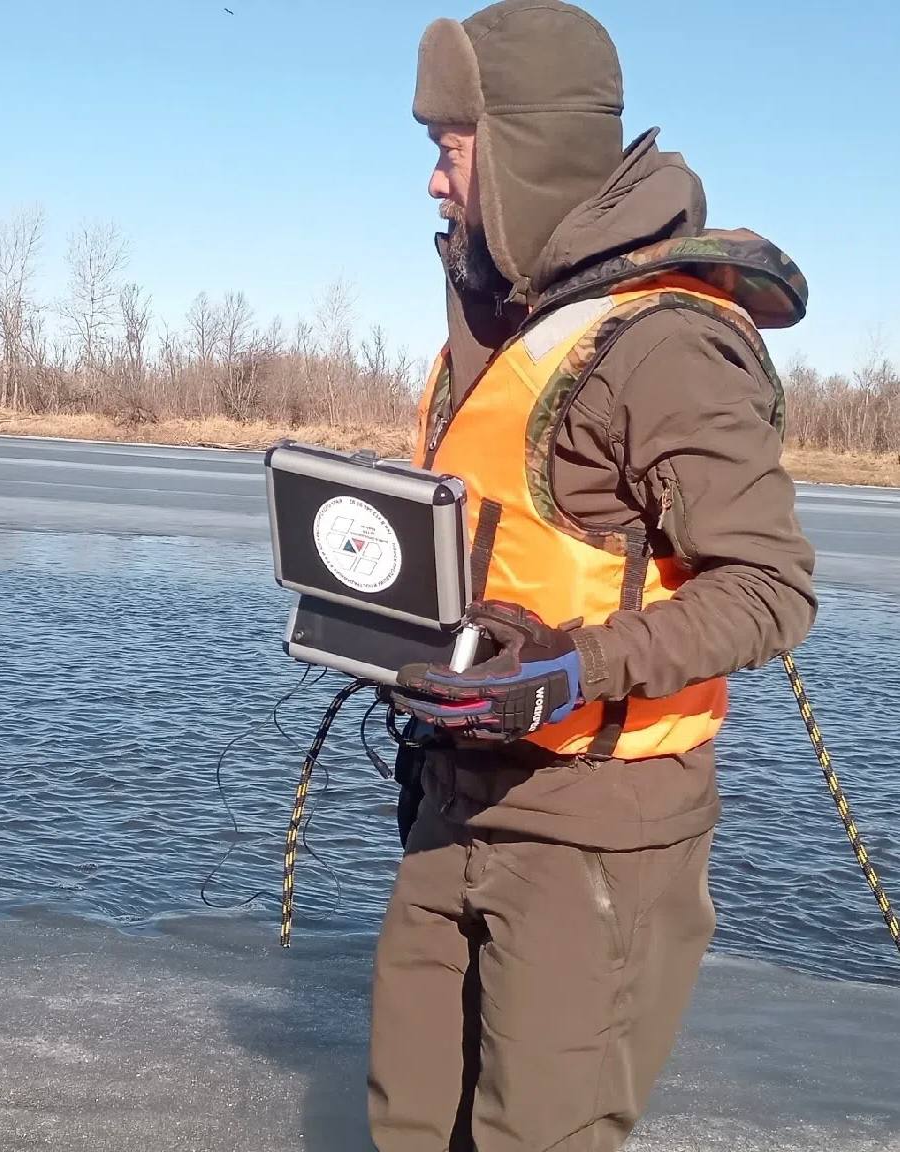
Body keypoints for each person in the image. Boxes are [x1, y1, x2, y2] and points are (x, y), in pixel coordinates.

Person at [368, 3, 816, 1149]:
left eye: (450, 147)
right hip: (455, 796)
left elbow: (770, 587)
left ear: (523, 147)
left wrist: (572, 670)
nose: (433, 180)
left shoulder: (663, 344)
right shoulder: (506, 333)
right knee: (409, 1120)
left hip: (596, 833)